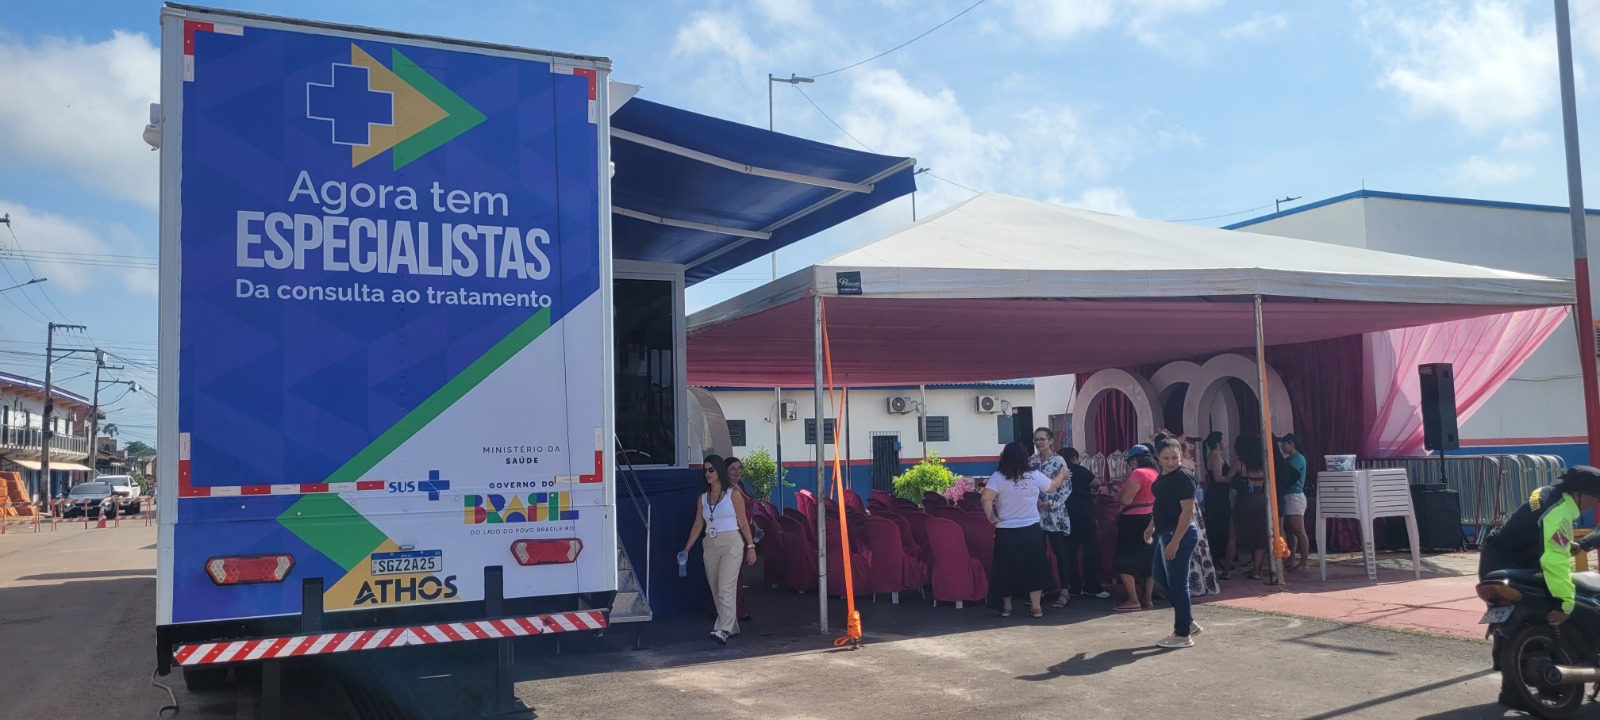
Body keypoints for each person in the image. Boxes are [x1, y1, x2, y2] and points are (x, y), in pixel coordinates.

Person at [1479, 466, 1600, 709]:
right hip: (1517, 562)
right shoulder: (1560, 512)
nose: (1595, 502)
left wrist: (1572, 545)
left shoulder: (1546, 493)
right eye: (1595, 497)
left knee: (1512, 628)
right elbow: (1554, 561)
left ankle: (1513, 691)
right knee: (1567, 608)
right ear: (1578, 493)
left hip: (1496, 559)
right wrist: (1565, 604)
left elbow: (1539, 533)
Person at [982, 441, 1066, 618]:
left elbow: (986, 498)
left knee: (1006, 568)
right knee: (1034, 568)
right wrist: (1062, 475)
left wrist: (992, 517)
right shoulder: (1034, 475)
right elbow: (1053, 487)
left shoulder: (998, 476)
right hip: (1031, 530)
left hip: (1006, 530)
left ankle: (1006, 607)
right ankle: (1036, 607)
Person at [681, 455, 757, 645]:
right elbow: (698, 524)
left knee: (725, 587)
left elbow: (743, 522)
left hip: (732, 542)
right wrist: (687, 548)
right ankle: (732, 627)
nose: (707, 473)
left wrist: (751, 546)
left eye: (711, 470)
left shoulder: (733, 494)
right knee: (716, 588)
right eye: (705, 470)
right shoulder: (703, 497)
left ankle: (722, 629)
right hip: (710, 543)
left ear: (718, 471)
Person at [1146, 436, 1203, 648]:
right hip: (1164, 533)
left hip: (1179, 534)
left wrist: (1175, 541)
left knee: (1178, 585)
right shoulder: (1163, 474)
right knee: (1160, 577)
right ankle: (1187, 621)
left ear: (1181, 455)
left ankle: (1182, 634)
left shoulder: (1183, 477)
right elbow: (1161, 503)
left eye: (1175, 457)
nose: (1171, 462)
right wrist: (1151, 525)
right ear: (1158, 458)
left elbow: (1187, 512)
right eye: (1166, 458)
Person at [1030, 428, 1074, 608]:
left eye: (1042, 439)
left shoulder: (1058, 461)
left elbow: (1066, 487)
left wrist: (1052, 503)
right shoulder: (1031, 462)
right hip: (1035, 513)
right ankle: (1039, 591)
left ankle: (1065, 590)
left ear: (1050, 441)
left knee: (1060, 551)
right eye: (1036, 440)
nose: (1039, 443)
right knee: (1037, 553)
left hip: (1055, 513)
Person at [1060, 446, 1110, 599]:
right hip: (1084, 515)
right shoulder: (1079, 470)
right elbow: (1096, 483)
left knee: (1070, 553)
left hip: (1066, 515)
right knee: (1090, 551)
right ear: (1075, 458)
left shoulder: (1058, 472)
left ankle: (1074, 587)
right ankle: (1092, 585)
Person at [1114, 444, 1158, 612]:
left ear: (1134, 460)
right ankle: (1147, 598)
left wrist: (1116, 495)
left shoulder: (1138, 473)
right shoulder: (1155, 473)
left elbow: (1126, 499)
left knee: (1124, 560)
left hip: (1132, 520)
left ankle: (1133, 599)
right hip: (1151, 518)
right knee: (1148, 559)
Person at [1226, 434, 1271, 581]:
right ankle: (1256, 571)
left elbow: (1228, 479)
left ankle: (1226, 571)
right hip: (1260, 499)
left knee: (1233, 535)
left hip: (1243, 500)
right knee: (1260, 537)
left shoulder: (1239, 463)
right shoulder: (1263, 462)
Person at [1275, 434, 1311, 571]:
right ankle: (1292, 558)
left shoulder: (1297, 458)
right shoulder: (1290, 458)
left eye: (1284, 443)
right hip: (1288, 495)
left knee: (1298, 529)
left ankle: (1304, 561)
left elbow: (1290, 475)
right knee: (1289, 530)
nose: (1282, 447)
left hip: (1295, 495)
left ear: (1291, 444)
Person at [1202, 432, 1233, 580]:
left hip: (1220, 495)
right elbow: (1217, 478)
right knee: (1218, 525)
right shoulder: (1214, 456)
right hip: (1217, 495)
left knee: (1223, 524)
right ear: (1217, 443)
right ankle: (1217, 556)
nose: (1225, 442)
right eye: (1224, 439)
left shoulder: (1218, 456)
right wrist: (1232, 477)